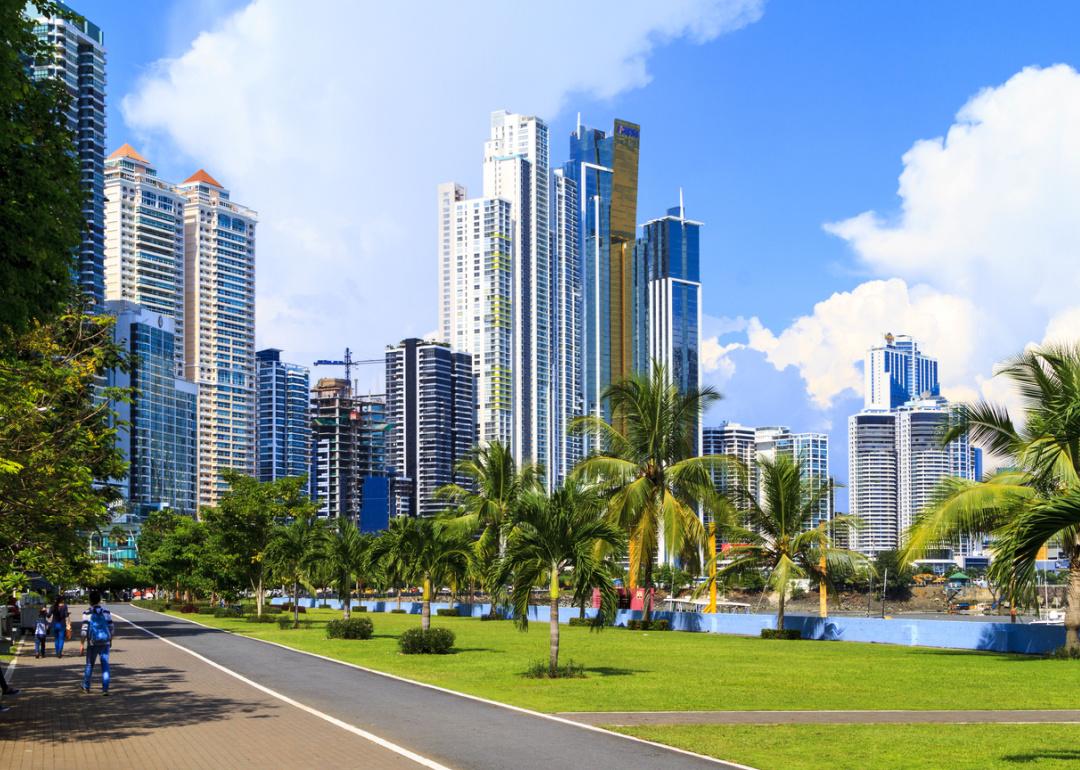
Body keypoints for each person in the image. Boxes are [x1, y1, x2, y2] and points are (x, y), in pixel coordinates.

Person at [80, 589, 113, 695]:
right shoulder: (106, 612)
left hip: (92, 643)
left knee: (89, 665)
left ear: (90, 600)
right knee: (105, 665)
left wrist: (82, 643)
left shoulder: (87, 613)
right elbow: (111, 627)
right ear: (99, 600)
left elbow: (84, 631)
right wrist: (110, 639)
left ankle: (86, 686)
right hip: (105, 642)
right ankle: (105, 689)